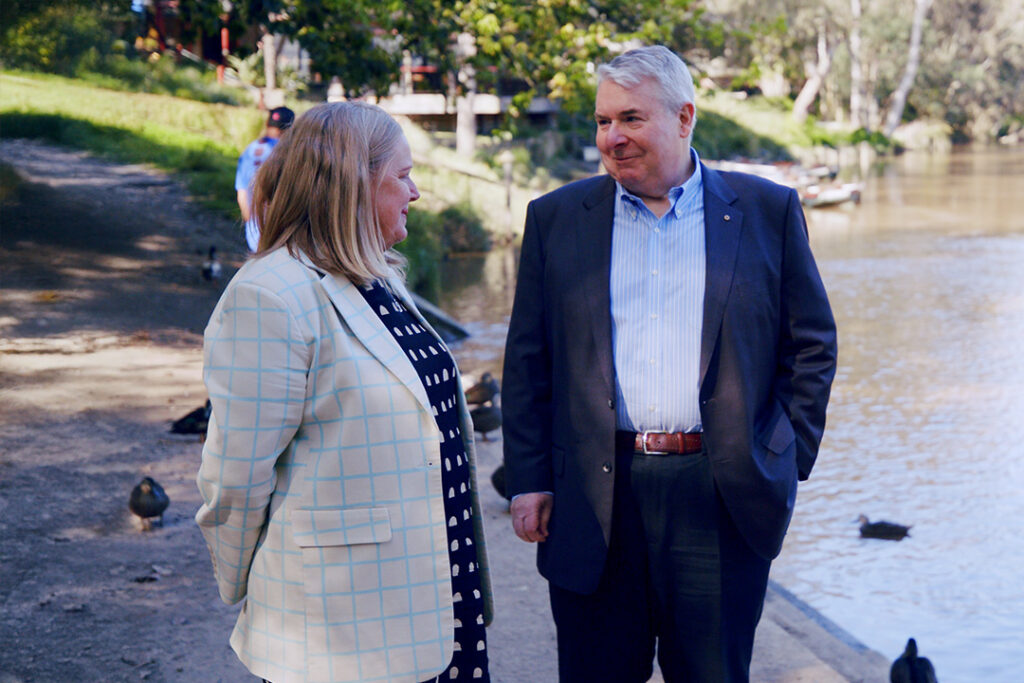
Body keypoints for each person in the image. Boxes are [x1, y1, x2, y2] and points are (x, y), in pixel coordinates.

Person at [501, 45, 838, 682]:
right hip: (595, 498)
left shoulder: (767, 211)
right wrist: (529, 477)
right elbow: (527, 361)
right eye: (602, 121)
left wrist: (782, 455)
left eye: (630, 119)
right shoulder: (556, 221)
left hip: (721, 496)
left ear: (684, 119)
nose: (612, 138)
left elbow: (813, 344)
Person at [196, 101, 492, 683]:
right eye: (403, 176)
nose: (416, 191)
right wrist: (250, 581)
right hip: (344, 628)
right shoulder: (271, 295)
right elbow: (235, 476)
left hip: (434, 600)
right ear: (354, 184)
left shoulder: (376, 277)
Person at [235, 106, 294, 252]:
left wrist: (250, 221)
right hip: (279, 229)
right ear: (290, 128)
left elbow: (241, 191)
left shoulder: (250, 150)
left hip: (254, 227)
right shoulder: (288, 152)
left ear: (268, 124)